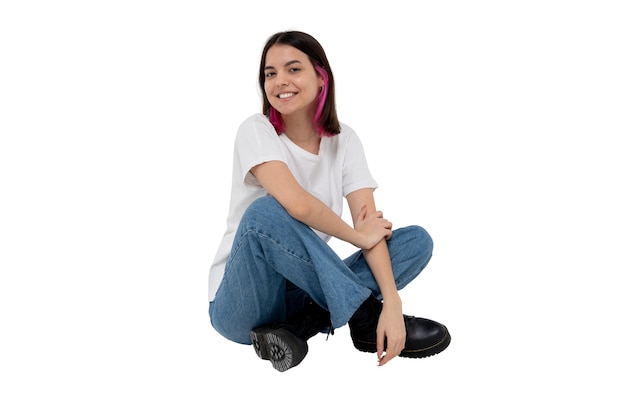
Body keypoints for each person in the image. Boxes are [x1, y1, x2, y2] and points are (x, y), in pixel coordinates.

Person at [208, 30, 450, 372]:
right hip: (241, 302)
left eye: (293, 69)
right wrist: (358, 239)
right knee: (263, 212)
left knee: (415, 242)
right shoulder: (256, 130)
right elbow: (299, 205)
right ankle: (363, 316)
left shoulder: (344, 141)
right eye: (270, 73)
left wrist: (393, 302)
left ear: (321, 78)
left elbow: (369, 224)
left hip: (301, 292)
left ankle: (298, 328)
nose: (280, 82)